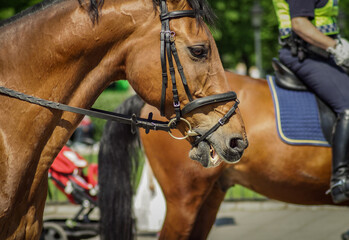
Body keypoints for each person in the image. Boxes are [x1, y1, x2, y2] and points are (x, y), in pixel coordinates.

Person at [272, 0, 349, 203]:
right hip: (304, 54)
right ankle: (341, 179)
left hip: (322, 54)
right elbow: (299, 23)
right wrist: (337, 47)